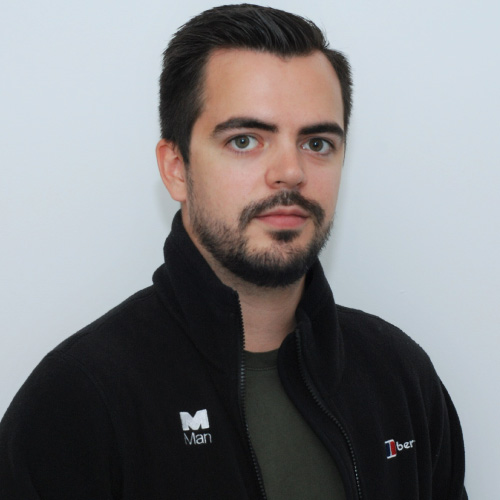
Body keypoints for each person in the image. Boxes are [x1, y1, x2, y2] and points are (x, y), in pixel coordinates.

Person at [0, 4, 466, 499]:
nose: (290, 172)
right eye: (245, 140)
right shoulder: (77, 401)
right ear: (176, 168)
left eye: (317, 143)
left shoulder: (400, 376)